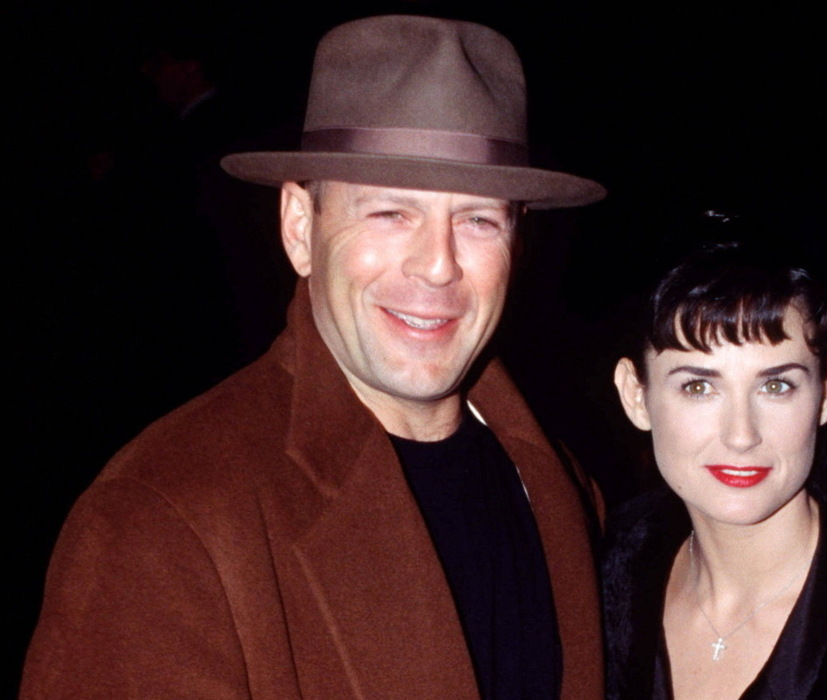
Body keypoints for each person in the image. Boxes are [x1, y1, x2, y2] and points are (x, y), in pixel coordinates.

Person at [22, 16, 605, 699]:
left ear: (517, 241)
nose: (438, 265)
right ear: (300, 228)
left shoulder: (564, 490)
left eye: (478, 219)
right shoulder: (162, 517)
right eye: (391, 213)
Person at [603, 243, 827, 699]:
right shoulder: (585, 587)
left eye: (776, 385)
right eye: (699, 386)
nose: (741, 435)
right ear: (636, 396)